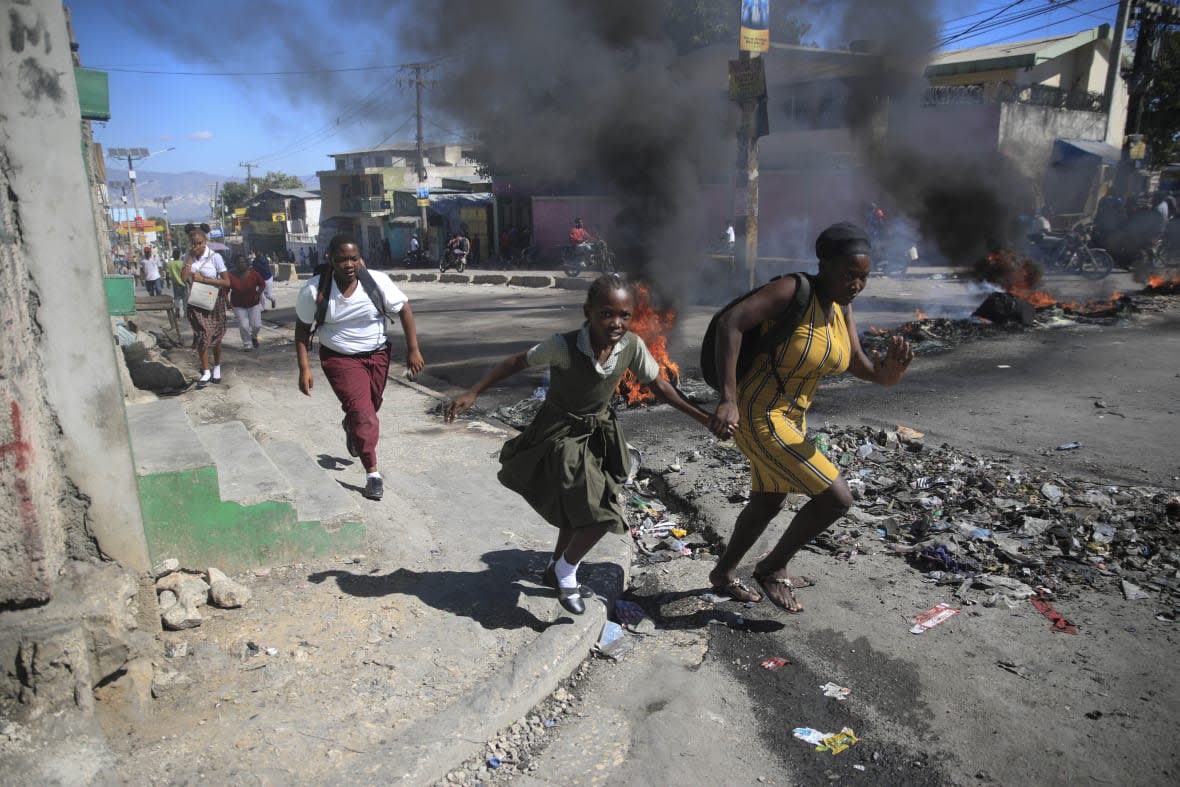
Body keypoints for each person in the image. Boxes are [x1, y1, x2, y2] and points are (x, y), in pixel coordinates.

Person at [445, 274, 712, 615]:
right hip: (560, 433)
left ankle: (554, 568)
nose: (616, 323)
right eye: (606, 314)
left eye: (624, 315)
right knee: (602, 514)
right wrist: (473, 391)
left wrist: (702, 417)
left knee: (579, 509)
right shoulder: (563, 345)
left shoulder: (631, 346)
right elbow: (516, 362)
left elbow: (659, 386)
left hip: (598, 434)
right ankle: (566, 572)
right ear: (588, 312)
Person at [707, 222, 914, 611]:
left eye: (863, 277)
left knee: (769, 498)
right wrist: (727, 397)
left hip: (792, 416)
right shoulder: (792, 290)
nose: (855, 284)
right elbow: (730, 323)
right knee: (837, 498)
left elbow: (855, 361)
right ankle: (772, 567)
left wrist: (886, 376)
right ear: (825, 264)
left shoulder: (840, 307)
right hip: (757, 412)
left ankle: (723, 573)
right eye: (848, 274)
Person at [294, 233, 425, 501]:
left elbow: (405, 310)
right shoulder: (314, 290)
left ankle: (351, 426)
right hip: (340, 359)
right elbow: (302, 331)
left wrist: (413, 349)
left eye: (354, 258)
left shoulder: (376, 282)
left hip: (377, 355)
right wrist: (304, 368)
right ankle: (372, 474)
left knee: (370, 406)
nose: (349, 264)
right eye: (342, 259)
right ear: (330, 259)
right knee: (364, 414)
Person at [181, 223, 231, 388]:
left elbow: (226, 281)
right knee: (203, 335)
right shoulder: (188, 256)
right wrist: (189, 257)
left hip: (213, 300)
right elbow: (183, 278)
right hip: (197, 302)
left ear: (205, 242)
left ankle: (216, 366)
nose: (196, 246)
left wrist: (205, 280)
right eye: (193, 243)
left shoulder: (215, 257)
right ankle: (206, 370)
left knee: (215, 336)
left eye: (199, 243)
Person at [227, 254, 266, 351]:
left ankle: (254, 336)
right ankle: (247, 343)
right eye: (239, 262)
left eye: (243, 262)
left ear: (247, 263)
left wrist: (258, 293)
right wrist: (227, 302)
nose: (241, 264)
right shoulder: (230, 275)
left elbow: (262, 284)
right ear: (235, 264)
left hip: (253, 303)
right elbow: (224, 289)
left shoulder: (253, 273)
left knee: (257, 325)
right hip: (238, 304)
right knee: (244, 326)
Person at [165, 247, 187, 323]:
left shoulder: (170, 264)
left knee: (177, 298)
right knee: (184, 299)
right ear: (179, 255)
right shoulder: (182, 263)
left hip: (175, 284)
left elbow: (167, 275)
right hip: (183, 283)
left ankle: (177, 312)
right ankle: (185, 313)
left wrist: (168, 283)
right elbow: (185, 274)